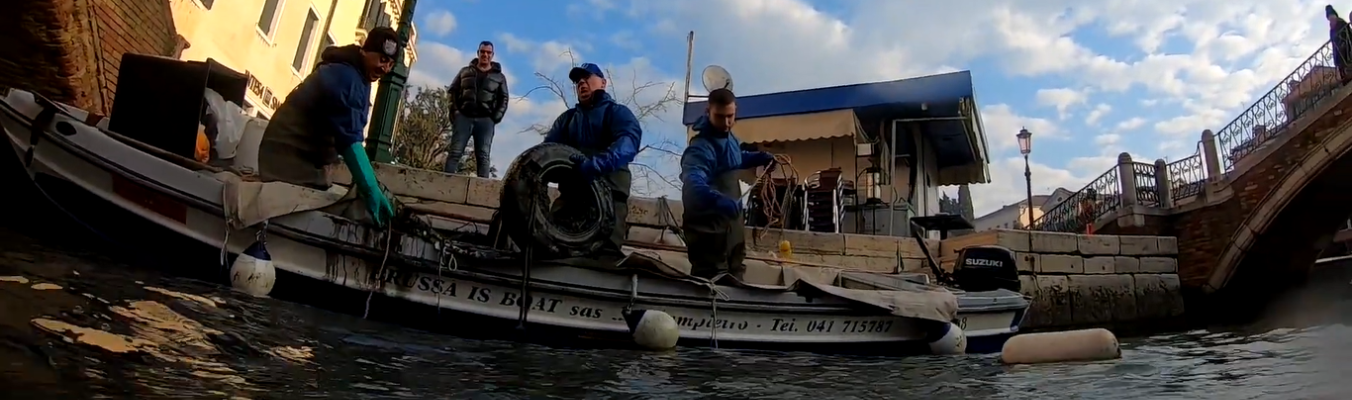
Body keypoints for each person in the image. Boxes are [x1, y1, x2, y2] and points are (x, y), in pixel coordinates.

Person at [256, 27, 399, 227]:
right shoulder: (346, 77)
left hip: (300, 162)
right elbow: (349, 139)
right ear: (366, 51)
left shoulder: (358, 76)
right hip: (288, 163)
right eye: (382, 60)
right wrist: (370, 189)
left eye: (390, 64)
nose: (385, 69)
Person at [542, 62, 643, 257]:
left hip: (609, 202)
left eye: (587, 77)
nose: (581, 83)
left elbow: (628, 143)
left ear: (603, 83)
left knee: (603, 257)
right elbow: (545, 154)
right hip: (571, 201)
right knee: (550, 250)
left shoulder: (617, 113)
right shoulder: (566, 120)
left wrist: (596, 165)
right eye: (577, 81)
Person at [680, 88, 775, 279]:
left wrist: (758, 158)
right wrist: (716, 200)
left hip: (732, 232)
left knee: (736, 273)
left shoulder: (730, 139)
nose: (726, 123)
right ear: (708, 112)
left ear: (736, 111)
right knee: (712, 279)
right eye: (720, 116)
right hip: (709, 233)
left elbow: (734, 158)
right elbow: (693, 182)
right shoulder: (701, 148)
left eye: (730, 116)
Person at [444, 41, 509, 177]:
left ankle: (482, 190)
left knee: (483, 156)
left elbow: (504, 98)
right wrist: (455, 111)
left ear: (492, 55)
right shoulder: (465, 71)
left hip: (486, 120)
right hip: (464, 117)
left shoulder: (499, 77)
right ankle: (446, 183)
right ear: (478, 53)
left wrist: (495, 117)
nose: (485, 55)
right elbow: (452, 91)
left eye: (488, 52)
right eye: (483, 52)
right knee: (455, 152)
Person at [1330, 5, 1352, 84]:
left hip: (1347, 50)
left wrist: (1344, 43)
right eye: (1329, 18)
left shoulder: (1341, 23)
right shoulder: (1331, 30)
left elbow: (1348, 34)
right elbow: (1333, 43)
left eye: (1331, 16)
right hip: (1339, 54)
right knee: (1343, 72)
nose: (1331, 19)